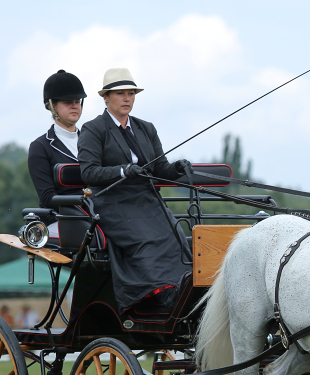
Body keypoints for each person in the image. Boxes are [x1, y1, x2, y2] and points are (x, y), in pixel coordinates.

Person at [78, 68, 192, 314]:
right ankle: (162, 294)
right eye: (120, 93)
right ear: (106, 97)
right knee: (145, 240)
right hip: (111, 201)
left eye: (131, 93)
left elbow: (160, 168)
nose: (127, 98)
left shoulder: (145, 128)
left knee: (176, 237)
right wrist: (122, 171)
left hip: (146, 200)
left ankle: (183, 289)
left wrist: (177, 169)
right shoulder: (94, 129)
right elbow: (88, 173)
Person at [28, 70, 88, 209]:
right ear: (53, 106)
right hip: (63, 218)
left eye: (77, 101)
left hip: (100, 214)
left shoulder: (94, 140)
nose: (74, 106)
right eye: (67, 102)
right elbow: (47, 197)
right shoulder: (40, 147)